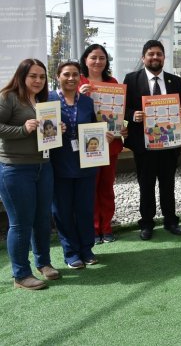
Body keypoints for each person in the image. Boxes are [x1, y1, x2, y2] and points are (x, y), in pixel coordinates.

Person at [0, 59, 60, 290]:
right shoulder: (8, 97)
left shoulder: (43, 101)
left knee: (42, 219)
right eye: (33, 76)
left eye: (42, 76)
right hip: (15, 168)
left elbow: (44, 132)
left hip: (43, 166)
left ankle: (43, 263)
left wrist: (57, 130)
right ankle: (21, 275)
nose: (38, 80)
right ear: (22, 76)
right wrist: (22, 129)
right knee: (20, 223)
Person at [124, 40, 181, 240]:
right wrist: (132, 114)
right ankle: (146, 223)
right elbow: (123, 108)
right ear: (143, 57)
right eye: (151, 54)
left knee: (168, 184)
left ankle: (171, 221)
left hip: (169, 143)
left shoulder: (175, 81)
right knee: (146, 185)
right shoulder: (131, 79)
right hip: (143, 145)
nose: (155, 57)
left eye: (159, 54)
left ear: (164, 57)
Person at [49, 61, 113, 269]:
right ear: (58, 76)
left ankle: (86, 249)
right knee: (63, 211)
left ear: (80, 77)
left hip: (86, 163)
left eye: (75, 74)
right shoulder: (48, 100)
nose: (71, 78)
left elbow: (93, 127)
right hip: (59, 163)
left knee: (85, 209)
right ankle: (70, 252)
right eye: (66, 74)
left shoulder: (86, 102)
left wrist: (104, 135)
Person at [79, 43, 127, 244]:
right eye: (93, 57)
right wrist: (79, 96)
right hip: (87, 144)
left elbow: (119, 113)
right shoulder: (78, 81)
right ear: (85, 60)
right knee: (90, 187)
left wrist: (121, 129)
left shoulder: (112, 82)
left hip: (109, 143)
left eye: (102, 58)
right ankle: (92, 228)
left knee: (107, 187)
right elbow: (66, 108)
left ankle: (106, 227)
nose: (98, 61)